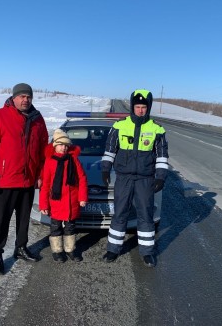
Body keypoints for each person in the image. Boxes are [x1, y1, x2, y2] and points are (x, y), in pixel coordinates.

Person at [0, 83, 49, 275]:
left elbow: (43, 152)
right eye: (22, 96)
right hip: (4, 181)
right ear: (14, 98)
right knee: (0, 220)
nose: (25, 100)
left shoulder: (37, 119)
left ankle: (21, 248)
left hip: (27, 181)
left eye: (29, 97)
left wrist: (40, 176)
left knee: (24, 219)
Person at [100, 89, 169, 268]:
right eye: (137, 106)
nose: (140, 110)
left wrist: (160, 177)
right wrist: (105, 169)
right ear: (132, 107)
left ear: (148, 108)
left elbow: (162, 157)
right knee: (120, 213)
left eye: (143, 107)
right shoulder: (119, 126)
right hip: (124, 178)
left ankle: (147, 253)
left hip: (145, 179)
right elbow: (109, 150)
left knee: (146, 215)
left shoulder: (157, 129)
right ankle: (113, 249)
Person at [39, 129, 88, 263]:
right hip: (56, 201)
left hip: (71, 201)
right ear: (55, 145)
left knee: (70, 227)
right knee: (55, 227)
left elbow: (82, 178)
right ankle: (57, 250)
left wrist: (82, 197)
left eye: (66, 145)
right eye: (61, 144)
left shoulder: (73, 159)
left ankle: (70, 249)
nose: (64, 147)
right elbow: (45, 184)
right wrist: (43, 204)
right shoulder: (49, 161)